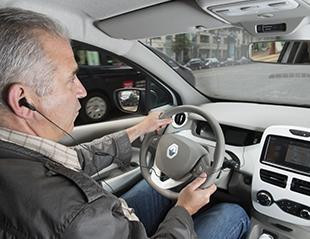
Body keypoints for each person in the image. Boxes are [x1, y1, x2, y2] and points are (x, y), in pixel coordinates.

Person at [0, 7, 250, 239]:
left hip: (114, 223)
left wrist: (140, 129)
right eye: (71, 78)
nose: (82, 91)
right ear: (23, 101)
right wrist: (184, 209)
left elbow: (76, 160)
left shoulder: (18, 156)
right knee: (232, 214)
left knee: (154, 187)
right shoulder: (76, 217)